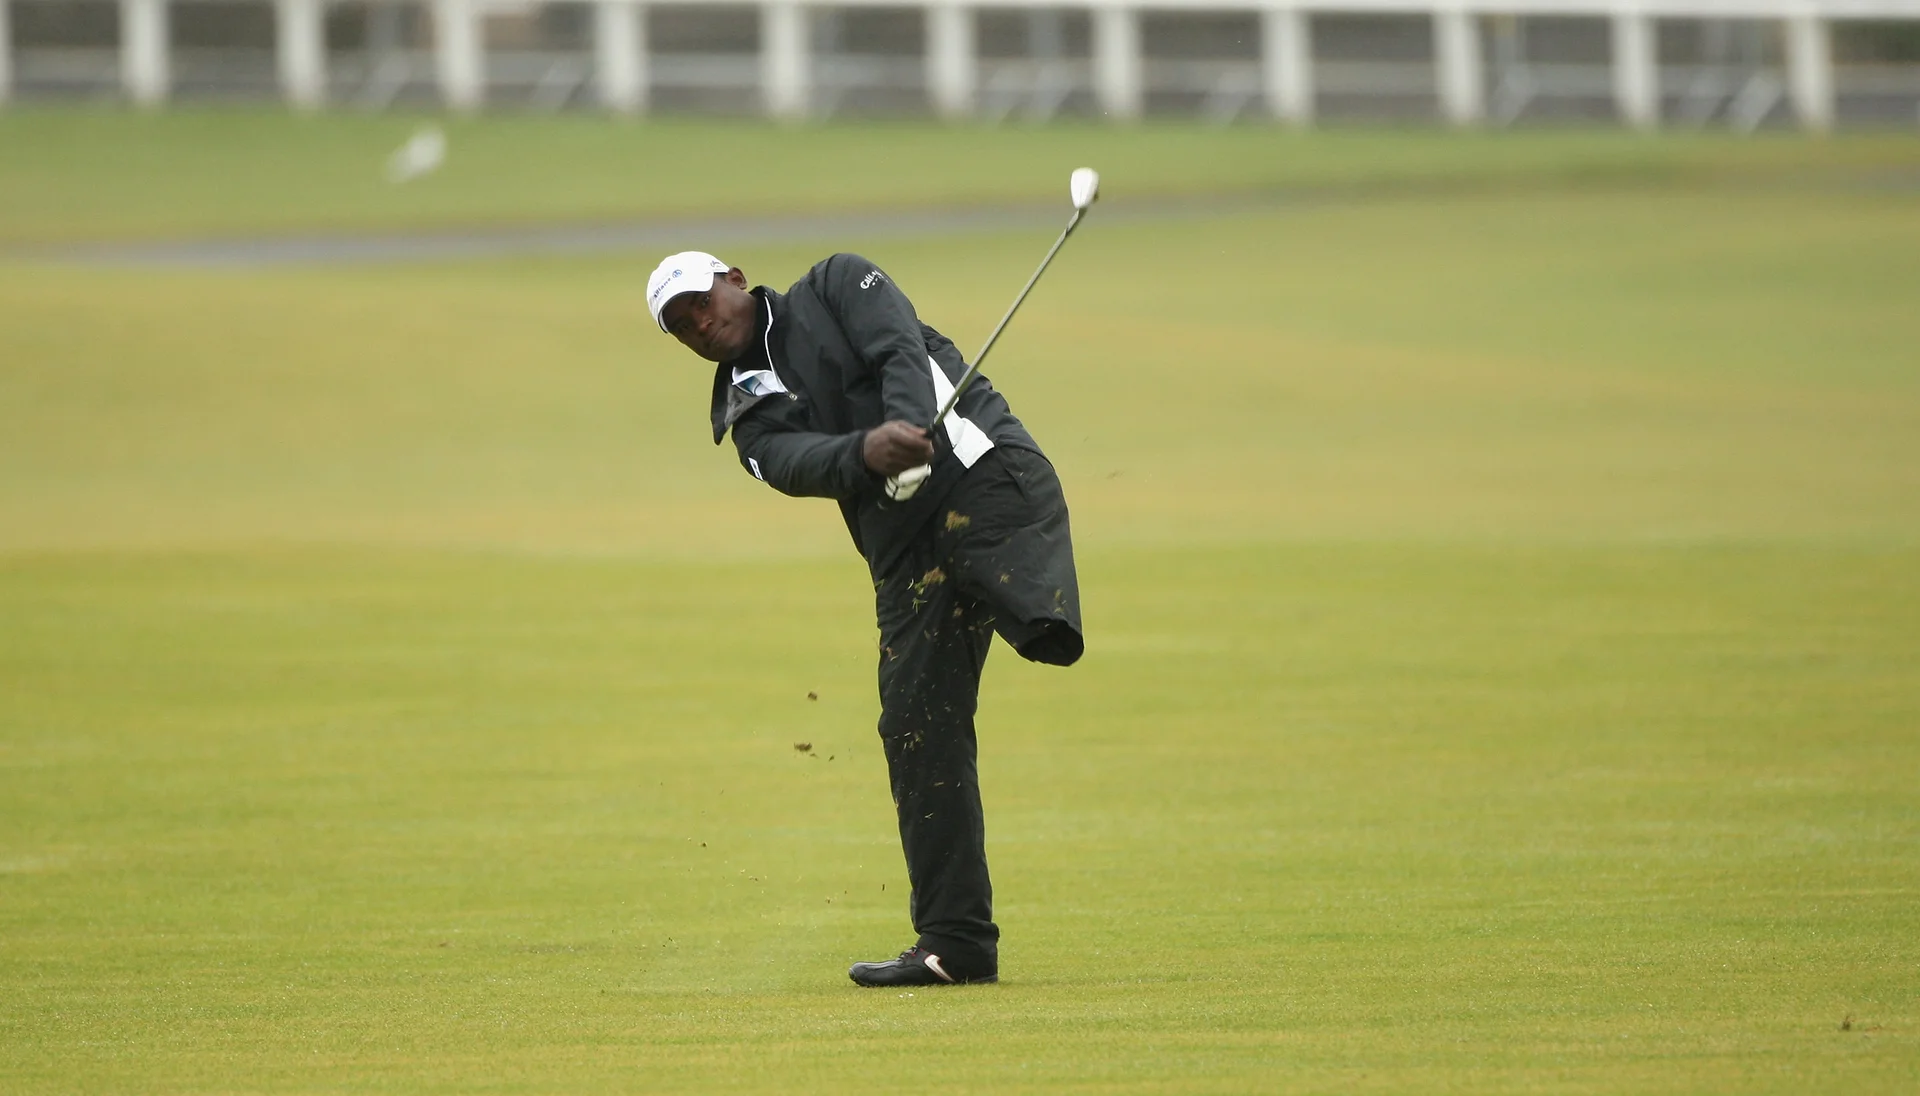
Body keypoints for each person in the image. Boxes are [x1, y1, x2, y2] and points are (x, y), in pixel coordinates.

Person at [647, 250, 1083, 988]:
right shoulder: (744, 418)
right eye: (682, 326)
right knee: (915, 728)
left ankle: (1036, 610)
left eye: (700, 301)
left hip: (982, 480)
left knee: (1039, 620)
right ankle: (956, 944)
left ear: (731, 276)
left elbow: (897, 348)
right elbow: (798, 463)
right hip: (908, 555)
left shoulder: (837, 284)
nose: (700, 323)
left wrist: (910, 429)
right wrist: (869, 452)